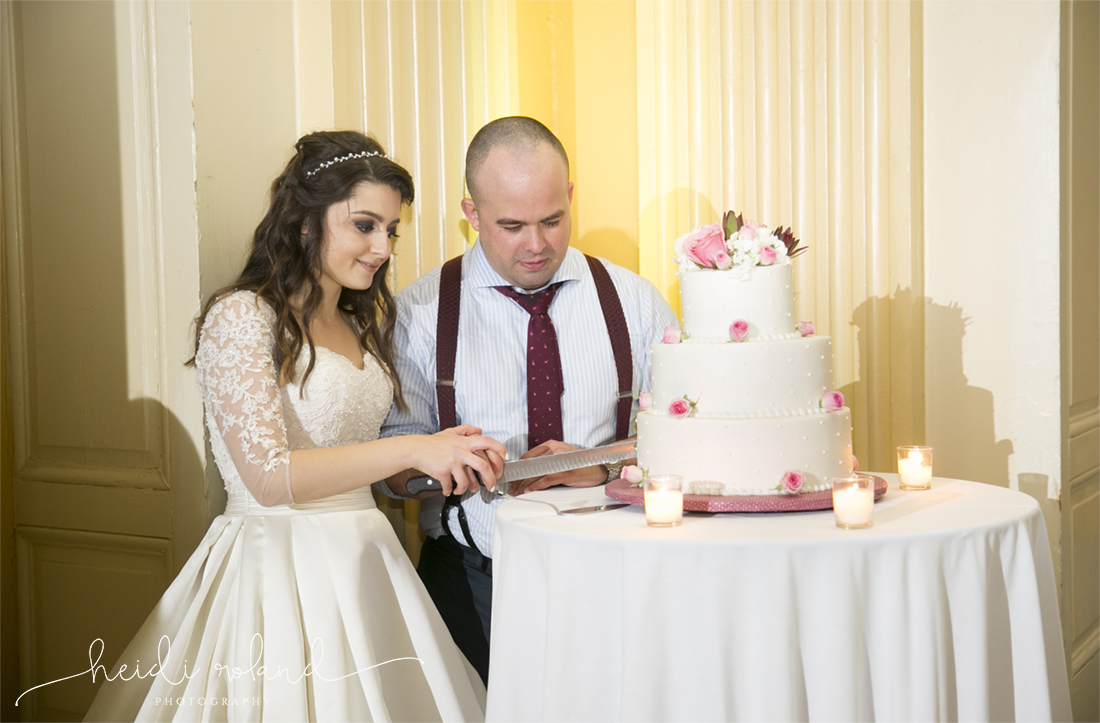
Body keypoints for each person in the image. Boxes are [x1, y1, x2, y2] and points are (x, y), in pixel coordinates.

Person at [84, 131, 505, 723]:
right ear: (306, 220)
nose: (382, 246)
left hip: (371, 566)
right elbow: (267, 477)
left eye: (390, 230)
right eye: (364, 225)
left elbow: (363, 458)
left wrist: (444, 455)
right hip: (276, 568)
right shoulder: (240, 317)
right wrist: (412, 445)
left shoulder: (360, 327)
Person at [379, 116, 679, 683]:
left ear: (569, 198)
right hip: (474, 580)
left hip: (618, 568)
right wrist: (434, 464)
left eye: (553, 220)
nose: (537, 245)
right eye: (511, 225)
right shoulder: (418, 315)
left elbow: (687, 438)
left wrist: (606, 466)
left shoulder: (636, 304)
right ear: (471, 214)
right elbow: (389, 473)